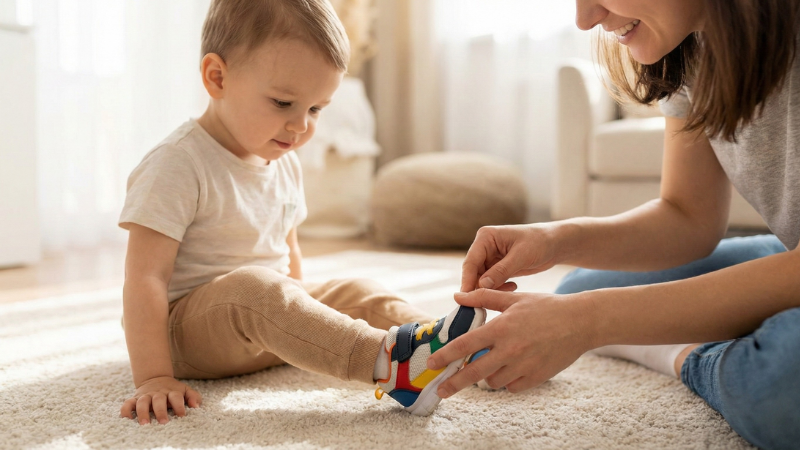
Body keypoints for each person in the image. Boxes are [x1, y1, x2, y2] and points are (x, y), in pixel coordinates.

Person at [426, 1, 800, 448]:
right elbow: (688, 216)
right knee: (578, 288)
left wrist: (591, 322)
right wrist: (554, 239)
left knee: (781, 389)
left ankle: (684, 355)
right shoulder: (694, 44)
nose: (585, 19)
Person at [117, 0, 486, 424]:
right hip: (186, 337)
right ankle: (394, 366)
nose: (301, 127)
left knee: (354, 290)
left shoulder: (284, 160)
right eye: (282, 103)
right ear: (217, 78)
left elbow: (288, 252)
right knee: (255, 288)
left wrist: (305, 320)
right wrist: (153, 376)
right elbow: (144, 278)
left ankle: (458, 351)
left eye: (315, 110)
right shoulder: (176, 162)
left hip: (261, 328)